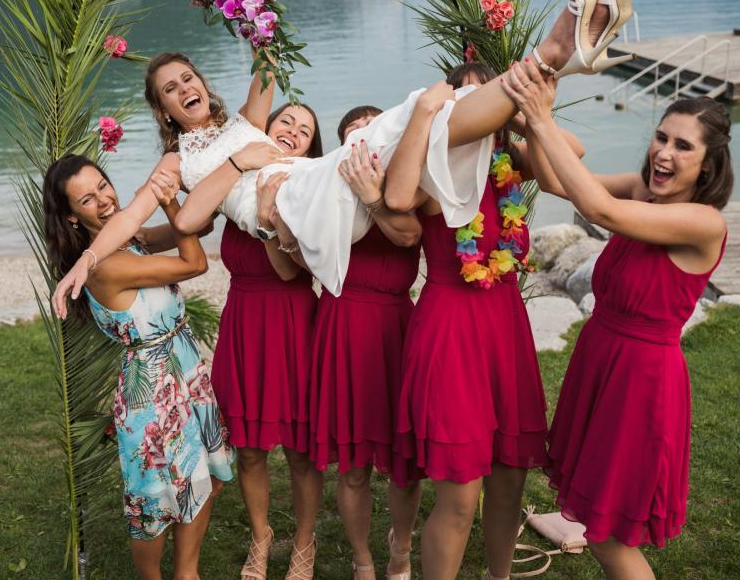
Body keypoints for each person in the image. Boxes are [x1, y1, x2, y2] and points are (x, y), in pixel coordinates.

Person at [51, 0, 634, 309]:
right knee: (416, 116)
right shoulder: (177, 162)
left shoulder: (244, 122)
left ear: (202, 82)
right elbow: (135, 219)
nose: (184, 88)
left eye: (188, 78)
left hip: (319, 182)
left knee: (419, 120)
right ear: (162, 109)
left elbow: (268, 50)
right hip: (298, 207)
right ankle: (558, 52)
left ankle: (562, 55)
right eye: (170, 89)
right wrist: (89, 259)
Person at [502, 60, 731, 580]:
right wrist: (519, 111)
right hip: (601, 360)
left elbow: (598, 210)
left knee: (608, 536)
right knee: (593, 518)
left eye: (683, 146)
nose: (664, 153)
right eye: (661, 137)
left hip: (640, 383)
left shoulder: (703, 223)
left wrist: (540, 119)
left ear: (708, 165)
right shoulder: (640, 190)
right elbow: (555, 182)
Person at [379, 61, 584, 580]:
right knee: (460, 495)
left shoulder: (509, 164)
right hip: (450, 331)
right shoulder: (435, 170)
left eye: (487, 98)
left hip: (505, 330)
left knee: (511, 479)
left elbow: (574, 153)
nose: (478, 110)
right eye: (466, 100)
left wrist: (519, 113)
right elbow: (397, 196)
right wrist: (428, 115)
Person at [42, 154, 234, 580]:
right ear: (72, 217)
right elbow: (195, 263)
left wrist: (180, 196)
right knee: (155, 499)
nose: (104, 200)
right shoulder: (108, 266)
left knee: (201, 477)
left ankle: (187, 573)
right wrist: (167, 201)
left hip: (184, 371)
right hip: (153, 389)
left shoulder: (130, 239)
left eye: (103, 186)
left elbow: (198, 226)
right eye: (87, 200)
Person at [171, 101, 325, 580]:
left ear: (309, 149)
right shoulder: (234, 183)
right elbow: (189, 216)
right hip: (244, 323)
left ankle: (305, 542)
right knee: (251, 447)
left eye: (304, 130)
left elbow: (289, 272)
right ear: (264, 130)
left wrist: (265, 217)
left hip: (294, 322)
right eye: (286, 121)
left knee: (300, 449)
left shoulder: (309, 191)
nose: (293, 131)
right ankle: (261, 537)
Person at [286, 105, 424, 580]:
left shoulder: (408, 185)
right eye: (351, 133)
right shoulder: (326, 190)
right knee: (353, 465)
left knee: (405, 462)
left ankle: (401, 547)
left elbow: (408, 237)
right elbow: (306, 259)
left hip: (397, 326)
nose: (362, 137)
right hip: (342, 325)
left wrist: (374, 199)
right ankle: (362, 557)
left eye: (371, 127)